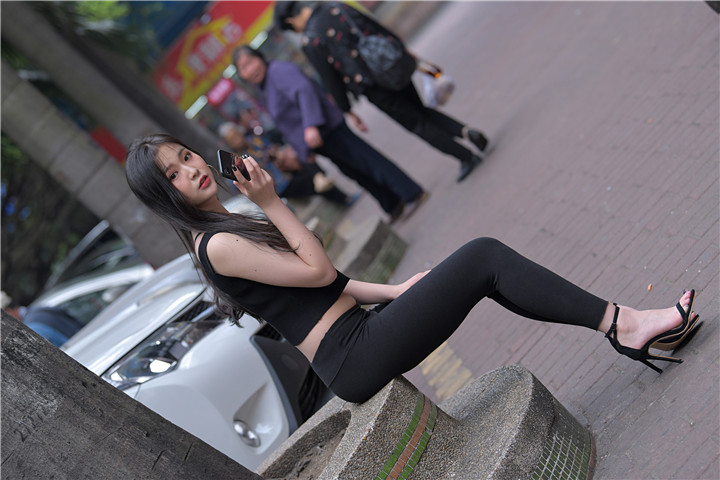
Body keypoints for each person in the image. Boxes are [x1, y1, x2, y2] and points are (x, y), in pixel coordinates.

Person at [125, 134, 701, 404]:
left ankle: (622, 326)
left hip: (358, 331)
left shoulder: (229, 224)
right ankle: (625, 326)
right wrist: (273, 201)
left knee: (484, 268)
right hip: (352, 355)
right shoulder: (217, 245)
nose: (191, 170)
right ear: (164, 196)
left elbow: (331, 285)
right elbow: (318, 274)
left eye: (186, 156)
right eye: (174, 175)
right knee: (484, 256)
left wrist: (397, 289)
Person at [273, 1, 493, 183]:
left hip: (373, 87)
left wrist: (347, 110)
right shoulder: (335, 7)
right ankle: (466, 131)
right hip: (391, 65)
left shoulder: (311, 41)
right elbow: (375, 26)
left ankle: (466, 157)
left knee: (417, 124)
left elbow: (332, 81)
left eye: (293, 29)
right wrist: (402, 49)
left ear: (291, 21)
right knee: (420, 110)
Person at [232, 45, 428, 224]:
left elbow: (304, 92)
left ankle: (411, 193)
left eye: (250, 62)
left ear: (260, 57)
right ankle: (392, 204)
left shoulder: (278, 71)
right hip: (318, 140)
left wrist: (311, 125)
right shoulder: (263, 87)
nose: (250, 70)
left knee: (368, 161)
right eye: (243, 68)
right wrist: (303, 150)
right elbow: (287, 122)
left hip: (327, 128)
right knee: (355, 172)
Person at [219, 121, 357, 206]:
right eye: (232, 139)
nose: (237, 139)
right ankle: (342, 197)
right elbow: (236, 185)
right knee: (309, 180)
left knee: (305, 159)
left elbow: (272, 149)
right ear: (228, 143)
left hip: (285, 168)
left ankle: (328, 185)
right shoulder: (236, 161)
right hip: (277, 184)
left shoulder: (254, 140)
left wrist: (278, 154)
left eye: (236, 134)